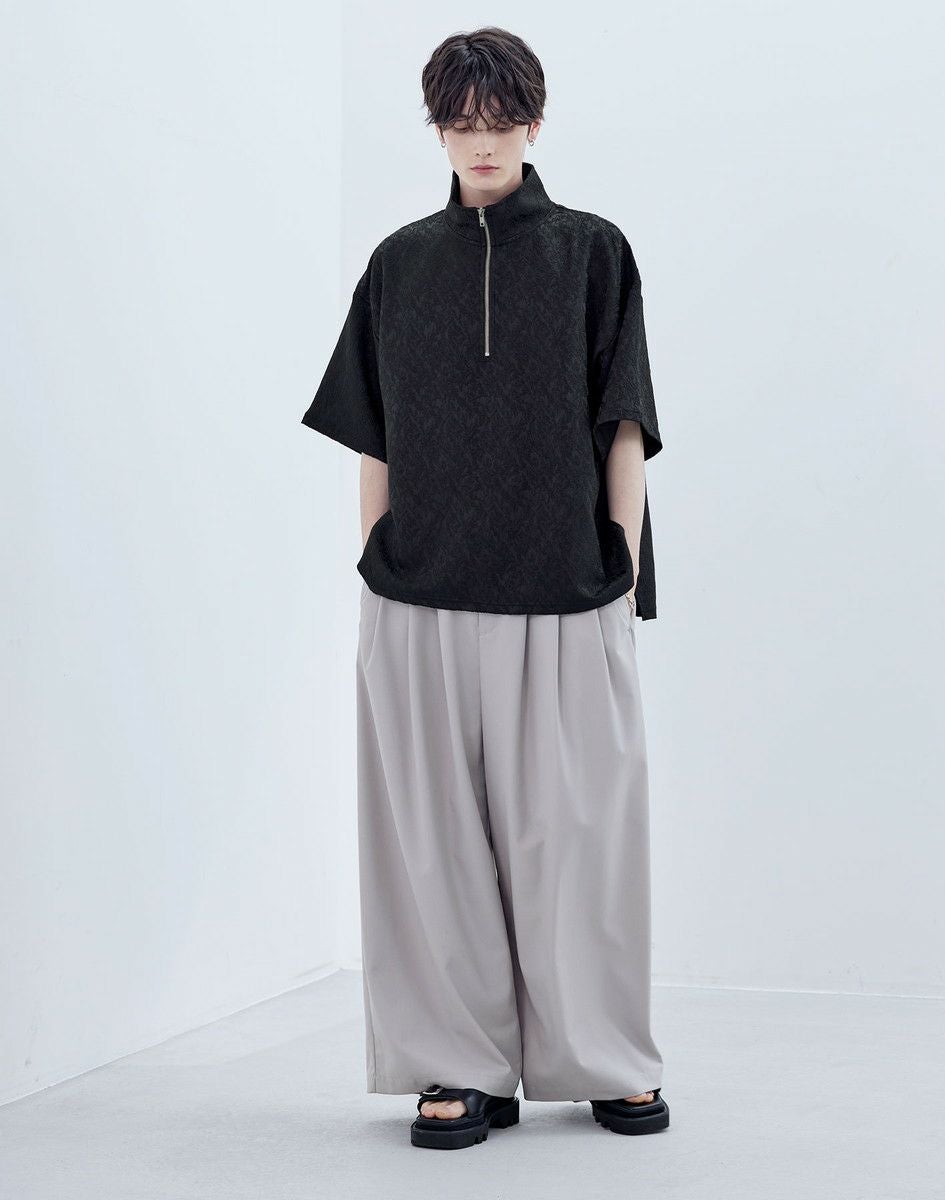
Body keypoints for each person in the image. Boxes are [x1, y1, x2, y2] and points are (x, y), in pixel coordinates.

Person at [301, 26, 669, 1149]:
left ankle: (604, 1056)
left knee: (579, 840)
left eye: (500, 120)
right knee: (432, 846)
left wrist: (619, 564)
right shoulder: (398, 263)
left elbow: (624, 420)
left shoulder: (593, 252)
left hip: (565, 591)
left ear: (533, 121)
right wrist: (378, 556)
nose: (482, 142)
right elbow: (372, 429)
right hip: (419, 595)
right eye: (461, 123)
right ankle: (458, 1066)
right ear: (438, 130)